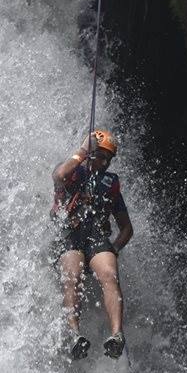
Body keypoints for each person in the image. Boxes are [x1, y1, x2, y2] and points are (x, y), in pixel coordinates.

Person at [51, 129, 133, 360]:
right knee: (72, 275)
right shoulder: (73, 171)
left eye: (109, 159)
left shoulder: (109, 183)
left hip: (95, 237)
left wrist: (113, 249)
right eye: (101, 156)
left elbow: (127, 228)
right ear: (90, 153)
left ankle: (117, 335)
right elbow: (59, 176)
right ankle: (75, 335)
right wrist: (84, 149)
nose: (105, 162)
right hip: (70, 234)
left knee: (109, 273)